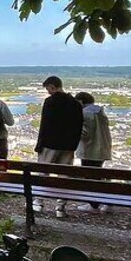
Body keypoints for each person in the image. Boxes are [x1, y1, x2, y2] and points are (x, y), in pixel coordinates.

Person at [34, 76, 84, 218]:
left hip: (49, 144)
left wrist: (39, 145)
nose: (48, 92)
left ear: (52, 87)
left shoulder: (50, 102)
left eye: (48, 89)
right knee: (64, 176)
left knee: (43, 173)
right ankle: (60, 207)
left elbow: (45, 125)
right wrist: (73, 145)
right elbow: (79, 127)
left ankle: (38, 202)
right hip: (68, 146)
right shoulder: (75, 104)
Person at [74, 92, 113, 213]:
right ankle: (107, 201)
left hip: (89, 150)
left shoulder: (86, 114)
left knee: (90, 178)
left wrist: (71, 131)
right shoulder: (99, 112)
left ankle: (94, 204)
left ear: (80, 102)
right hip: (102, 150)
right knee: (97, 176)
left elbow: (85, 134)